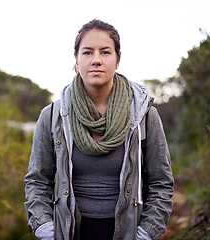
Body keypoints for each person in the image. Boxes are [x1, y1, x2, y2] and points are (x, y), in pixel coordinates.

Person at [24, 19, 174, 240]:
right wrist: (46, 230)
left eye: (105, 52)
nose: (96, 60)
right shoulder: (53, 116)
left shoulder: (145, 116)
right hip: (69, 233)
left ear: (117, 59)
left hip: (129, 233)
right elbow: (37, 181)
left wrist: (146, 233)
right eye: (87, 53)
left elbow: (161, 183)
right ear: (76, 60)